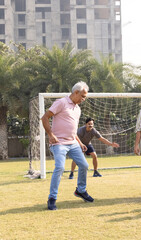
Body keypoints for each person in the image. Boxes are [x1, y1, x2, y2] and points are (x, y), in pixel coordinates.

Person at [41, 81, 94, 211]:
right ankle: (52, 198)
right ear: (75, 92)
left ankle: (80, 190)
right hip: (59, 143)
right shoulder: (61, 103)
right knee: (59, 167)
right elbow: (44, 117)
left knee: (84, 165)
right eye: (82, 96)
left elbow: (72, 130)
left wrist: (80, 143)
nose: (83, 99)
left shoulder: (77, 109)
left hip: (73, 143)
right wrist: (50, 134)